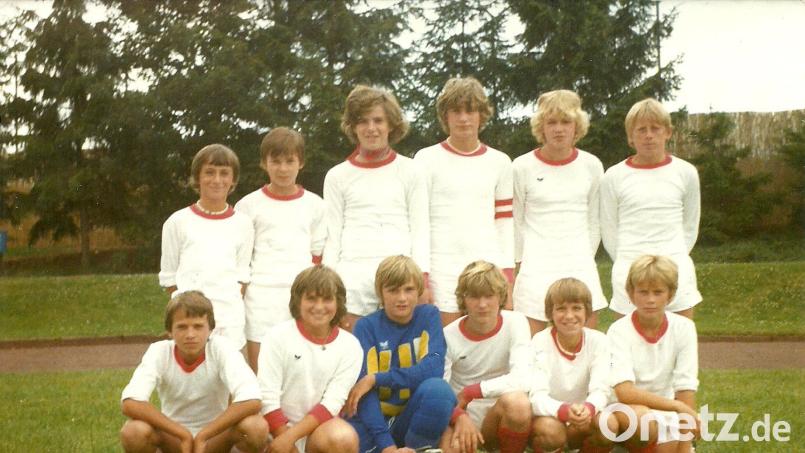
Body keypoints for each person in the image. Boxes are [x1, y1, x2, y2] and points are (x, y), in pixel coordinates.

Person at [323, 85, 429, 331]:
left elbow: (420, 229)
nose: (371, 128)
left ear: (391, 124)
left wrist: (421, 280)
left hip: (399, 281)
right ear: (353, 127)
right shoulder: (337, 176)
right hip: (352, 284)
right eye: (363, 121)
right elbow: (332, 235)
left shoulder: (411, 171)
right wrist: (329, 286)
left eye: (378, 120)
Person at [414, 77, 514, 326]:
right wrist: (422, 278)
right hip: (442, 271)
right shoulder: (425, 159)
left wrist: (507, 276)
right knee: (447, 343)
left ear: (482, 115)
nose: (463, 118)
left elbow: (504, 224)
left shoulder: (500, 162)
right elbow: (419, 223)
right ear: (445, 116)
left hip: (487, 270)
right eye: (456, 111)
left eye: (470, 110)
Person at [119, 291, 266, 453]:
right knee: (133, 431)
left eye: (198, 326)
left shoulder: (221, 348)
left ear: (210, 329)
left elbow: (252, 399)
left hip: (215, 438)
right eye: (182, 327)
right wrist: (182, 434)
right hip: (174, 439)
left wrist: (204, 435)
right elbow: (130, 402)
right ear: (170, 331)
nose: (190, 334)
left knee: (256, 427)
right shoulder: (159, 351)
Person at [513, 89, 607, 335]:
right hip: (535, 266)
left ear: (577, 126)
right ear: (541, 126)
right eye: (551, 122)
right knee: (530, 345)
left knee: (585, 342)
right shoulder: (521, 167)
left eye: (566, 122)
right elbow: (516, 220)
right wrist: (521, 260)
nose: (558, 129)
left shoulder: (592, 165)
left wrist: (584, 255)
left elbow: (595, 220)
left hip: (579, 263)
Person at [600, 98, 701, 320]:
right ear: (630, 136)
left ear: (668, 132)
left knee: (680, 336)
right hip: (629, 269)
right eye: (641, 129)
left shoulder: (686, 172)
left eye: (655, 128)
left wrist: (672, 259)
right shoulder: (613, 176)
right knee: (628, 339)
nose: (648, 135)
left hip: (676, 268)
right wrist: (630, 263)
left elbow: (690, 225)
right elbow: (609, 229)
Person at [235, 127, 326, 370]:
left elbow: (317, 254)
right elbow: (241, 258)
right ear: (264, 163)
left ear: (301, 163)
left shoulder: (316, 205)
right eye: (276, 161)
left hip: (301, 296)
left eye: (289, 161)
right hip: (260, 298)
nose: (283, 168)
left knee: (300, 366)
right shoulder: (247, 205)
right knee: (260, 369)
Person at [345, 255, 455, 453]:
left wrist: (377, 378)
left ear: (419, 290)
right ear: (381, 293)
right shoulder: (365, 327)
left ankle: (417, 449)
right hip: (373, 422)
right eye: (393, 290)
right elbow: (363, 392)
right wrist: (387, 446)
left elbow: (434, 369)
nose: (402, 298)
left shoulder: (429, 315)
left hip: (410, 417)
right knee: (345, 438)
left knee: (439, 391)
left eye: (408, 289)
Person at [257, 265, 363, 453]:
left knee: (343, 437)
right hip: (274, 432)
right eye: (311, 298)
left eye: (327, 299)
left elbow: (332, 403)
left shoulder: (351, 346)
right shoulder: (276, 336)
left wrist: (291, 437)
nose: (319, 307)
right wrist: (285, 441)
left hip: (318, 433)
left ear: (338, 302)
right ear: (298, 301)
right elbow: (267, 397)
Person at [159, 144, 254, 349]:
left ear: (233, 179)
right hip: (191, 323)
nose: (217, 180)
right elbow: (169, 277)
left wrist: (226, 307)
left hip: (229, 322)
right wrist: (190, 311)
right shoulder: (177, 222)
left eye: (224, 173)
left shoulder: (244, 223)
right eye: (209, 172)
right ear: (197, 177)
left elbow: (242, 274)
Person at [607, 255, 700, 453]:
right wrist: (677, 407)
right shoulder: (618, 330)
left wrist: (685, 445)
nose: (650, 300)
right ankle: (623, 446)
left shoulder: (684, 328)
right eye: (643, 292)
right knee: (642, 421)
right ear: (631, 294)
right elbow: (624, 392)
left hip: (666, 411)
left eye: (658, 292)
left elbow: (686, 387)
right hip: (625, 410)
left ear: (670, 295)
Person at [440, 261, 533, 453]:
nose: (482, 305)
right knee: (451, 449)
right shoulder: (448, 335)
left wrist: (473, 391)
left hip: (501, 411)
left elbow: (523, 378)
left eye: (489, 296)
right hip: (463, 415)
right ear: (463, 299)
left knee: (519, 403)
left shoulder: (516, 322)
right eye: (474, 296)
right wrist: (458, 416)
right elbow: (441, 390)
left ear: (501, 296)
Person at [528, 278, 617, 453]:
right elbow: (536, 396)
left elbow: (601, 389)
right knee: (551, 432)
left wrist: (589, 408)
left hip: (584, 415)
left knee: (608, 424)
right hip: (550, 417)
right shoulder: (540, 341)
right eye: (561, 309)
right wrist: (563, 410)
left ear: (587, 311)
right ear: (550, 313)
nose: (569, 316)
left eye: (576, 308)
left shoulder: (599, 341)